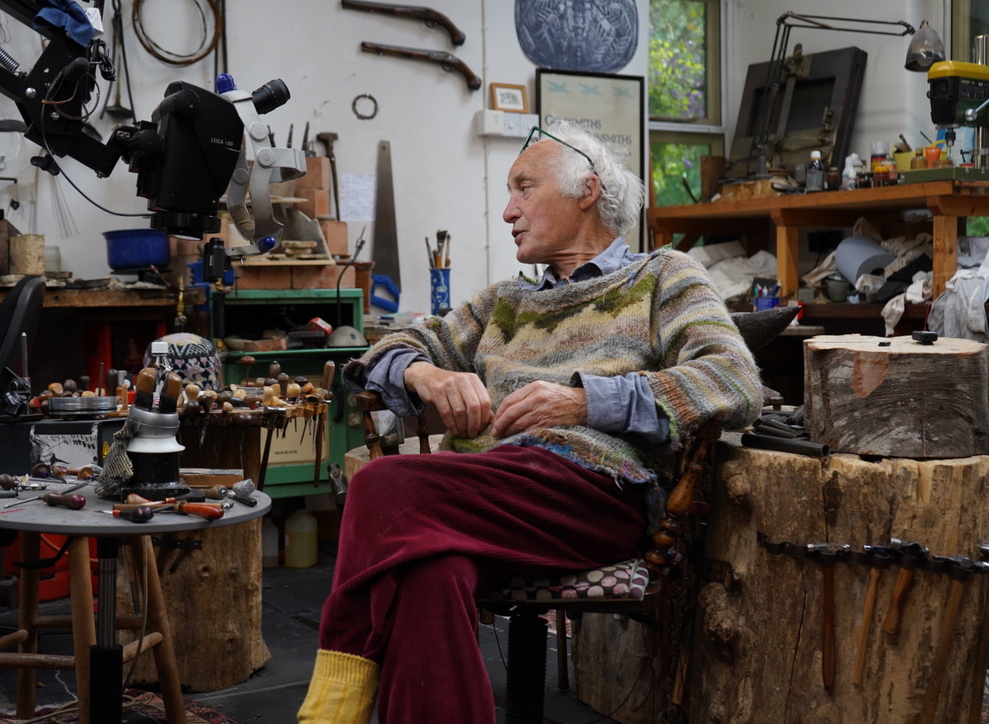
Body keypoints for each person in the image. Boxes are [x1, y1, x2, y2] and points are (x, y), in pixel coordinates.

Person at [297, 121, 763, 723]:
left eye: (524, 188)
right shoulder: (504, 302)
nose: (507, 210)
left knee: (379, 485)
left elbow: (733, 381)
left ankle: (329, 712)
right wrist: (427, 376)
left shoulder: (661, 277)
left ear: (586, 190)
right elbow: (383, 353)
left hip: (592, 490)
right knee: (427, 574)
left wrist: (586, 402)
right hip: (489, 494)